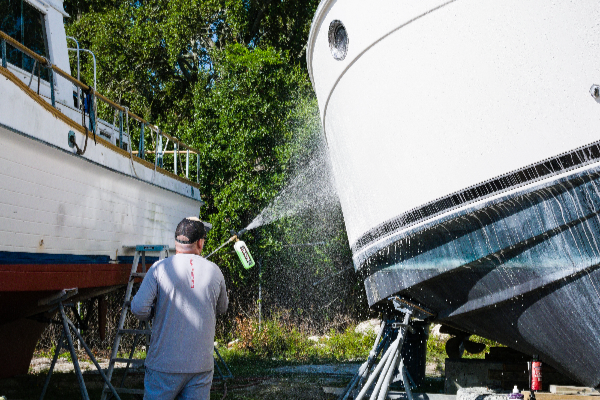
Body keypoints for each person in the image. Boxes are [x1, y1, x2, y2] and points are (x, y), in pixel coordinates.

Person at [131, 217, 228, 400]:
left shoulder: (160, 269)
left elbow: (138, 308)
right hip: (200, 366)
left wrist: (156, 311)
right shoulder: (214, 271)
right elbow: (222, 308)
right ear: (200, 242)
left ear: (175, 241)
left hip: (164, 366)